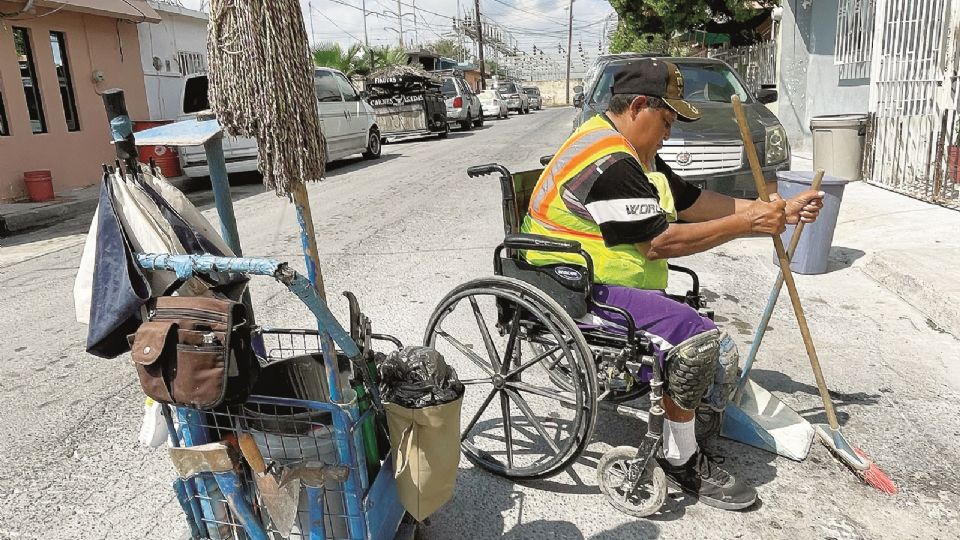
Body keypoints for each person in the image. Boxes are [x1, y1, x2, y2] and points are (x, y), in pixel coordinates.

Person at [520, 59, 824, 511]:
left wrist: (771, 211)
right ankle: (680, 457)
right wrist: (746, 223)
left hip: (603, 276)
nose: (670, 133)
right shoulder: (609, 161)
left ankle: (680, 406)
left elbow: (691, 200)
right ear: (639, 106)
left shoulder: (630, 148)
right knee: (697, 339)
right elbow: (659, 243)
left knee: (697, 326)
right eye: (666, 120)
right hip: (570, 285)